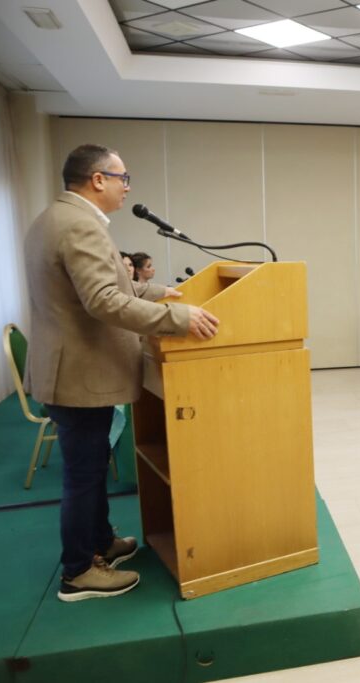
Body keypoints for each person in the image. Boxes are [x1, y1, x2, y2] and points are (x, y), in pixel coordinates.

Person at [24, 144, 219, 602]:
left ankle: (100, 543)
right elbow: (103, 300)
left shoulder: (55, 217)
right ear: (98, 179)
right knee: (83, 475)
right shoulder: (79, 225)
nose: (126, 187)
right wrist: (178, 319)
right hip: (79, 375)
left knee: (90, 469)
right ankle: (78, 572)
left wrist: (160, 291)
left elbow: (110, 285)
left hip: (70, 369)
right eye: (122, 178)